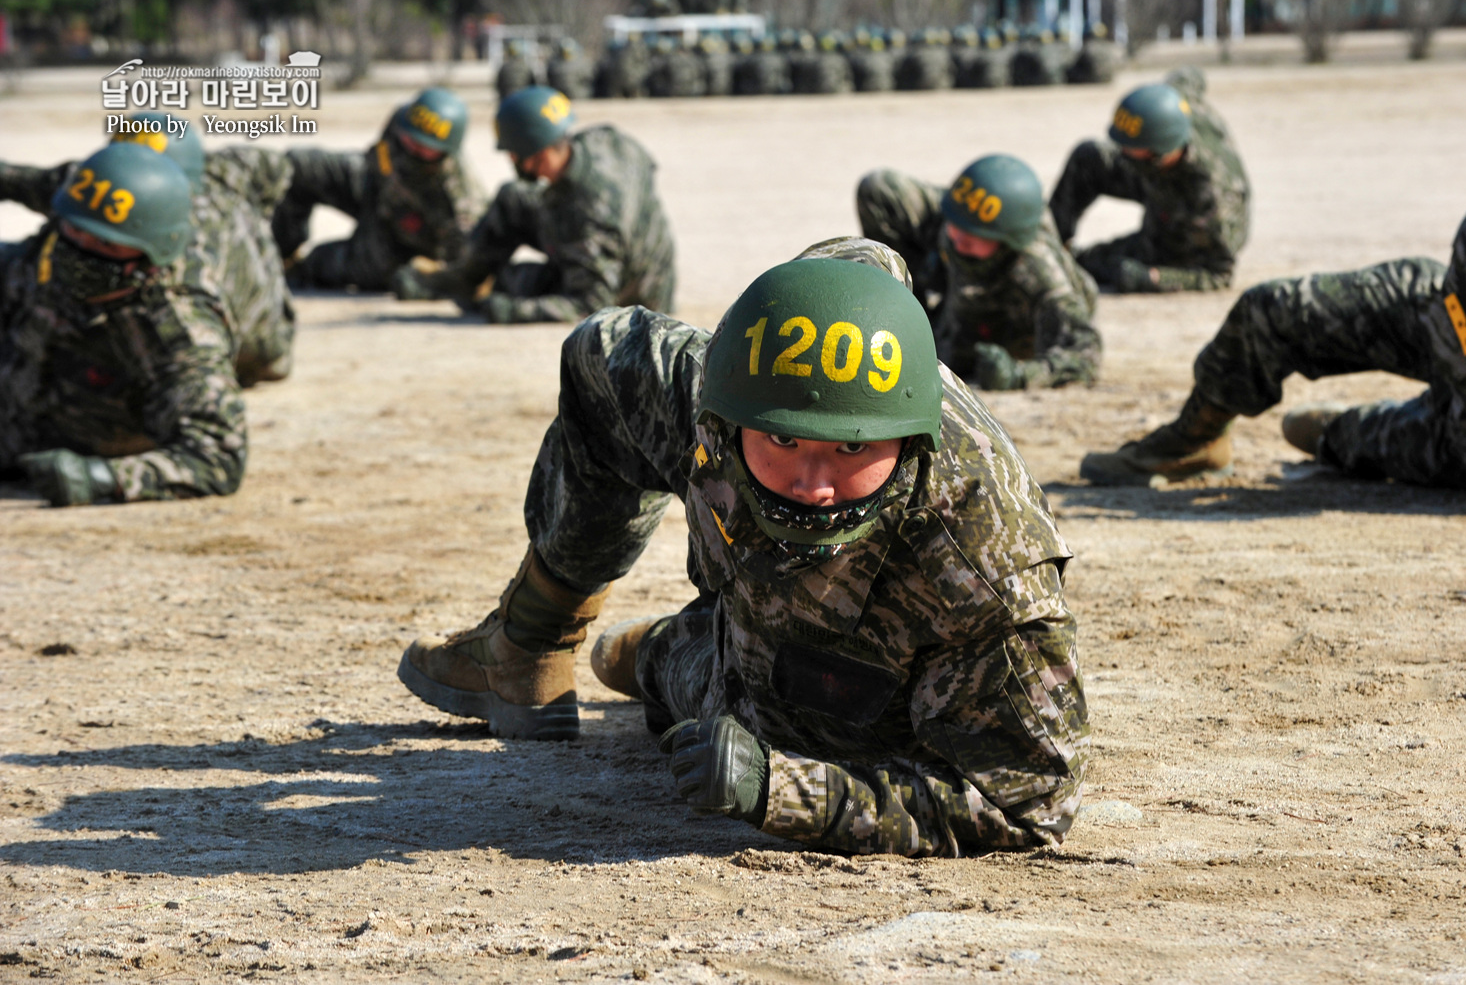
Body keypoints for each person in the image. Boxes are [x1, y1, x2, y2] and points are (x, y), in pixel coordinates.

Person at [395, 237, 1090, 857]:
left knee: (667, 672)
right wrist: (539, 621)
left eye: (852, 448)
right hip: (752, 618)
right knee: (646, 648)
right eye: (784, 440)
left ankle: (665, 648)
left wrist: (783, 791)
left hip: (838, 716)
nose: (815, 485)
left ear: (908, 440)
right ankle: (523, 653)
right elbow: (600, 356)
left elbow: (1024, 802)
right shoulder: (719, 391)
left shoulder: (987, 568)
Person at [1080, 193, 1466, 493]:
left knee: (1363, 441)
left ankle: (1344, 433)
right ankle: (1195, 441)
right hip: (1447, 335)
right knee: (1269, 311)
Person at [0, 144, 245, 506]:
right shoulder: (72, 223)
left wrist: (100, 478)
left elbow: (217, 455)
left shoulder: (176, 329)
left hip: (57, 442)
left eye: (104, 244)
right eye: (74, 230)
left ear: (149, 257)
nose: (79, 248)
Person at [0, 112, 295, 387]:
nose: (126, 176)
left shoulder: (176, 240)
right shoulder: (226, 175)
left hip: (249, 352)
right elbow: (21, 180)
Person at [391, 86, 675, 325]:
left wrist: (511, 310)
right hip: (635, 255)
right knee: (512, 199)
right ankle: (462, 276)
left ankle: (472, 285)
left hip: (635, 296)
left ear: (528, 152)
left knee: (512, 283)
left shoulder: (588, 213)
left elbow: (590, 304)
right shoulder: (604, 140)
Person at [856, 154, 1101, 390]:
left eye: (974, 234)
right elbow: (878, 191)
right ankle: (906, 320)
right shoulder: (964, 211)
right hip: (954, 289)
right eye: (955, 224)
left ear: (1008, 240)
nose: (957, 238)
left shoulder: (1037, 270)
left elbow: (1084, 351)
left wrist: (1018, 375)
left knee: (952, 358)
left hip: (1004, 320)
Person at [1048, 68, 1250, 293]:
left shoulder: (1212, 204)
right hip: (1156, 179)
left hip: (1181, 227)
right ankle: (1048, 246)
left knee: (1115, 271)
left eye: (1131, 148)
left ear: (1159, 152)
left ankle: (1065, 263)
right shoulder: (1173, 106)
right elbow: (1190, 76)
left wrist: (1155, 278)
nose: (1122, 151)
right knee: (1088, 158)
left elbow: (1218, 274)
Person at [271, 87, 483, 292]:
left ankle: (299, 270)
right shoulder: (402, 120)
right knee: (297, 166)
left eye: (423, 146)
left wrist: (427, 275)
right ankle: (281, 254)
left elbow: (465, 266)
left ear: (445, 152)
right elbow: (378, 156)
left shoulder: (460, 198)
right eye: (409, 137)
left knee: (321, 264)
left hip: (398, 242)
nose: (411, 145)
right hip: (373, 188)